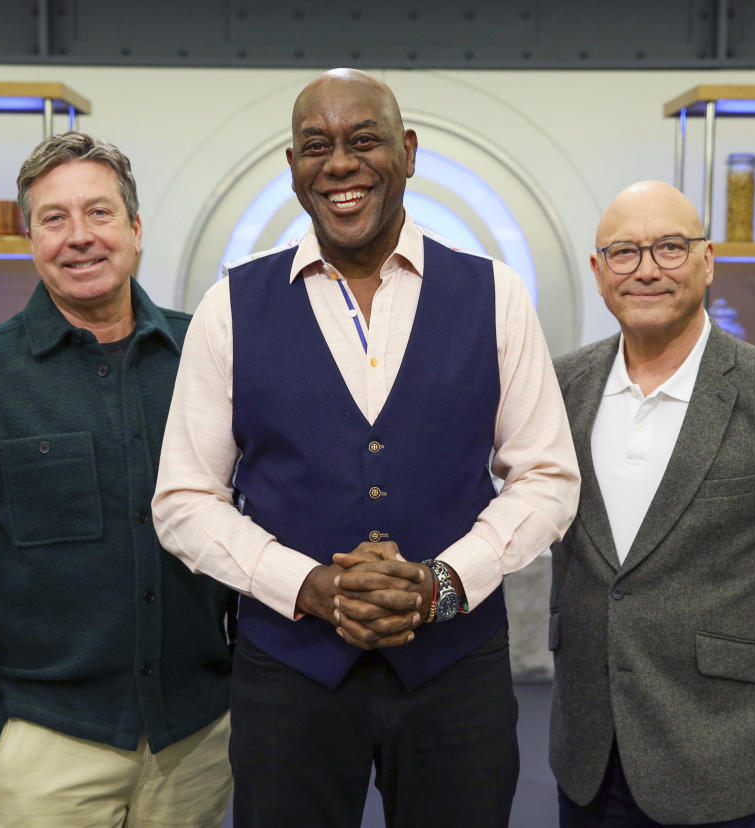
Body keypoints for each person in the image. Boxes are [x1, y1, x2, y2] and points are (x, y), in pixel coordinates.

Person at [152, 68, 580, 828]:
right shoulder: (230, 307)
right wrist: (307, 585)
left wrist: (443, 582)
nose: (339, 164)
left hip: (454, 672)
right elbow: (184, 499)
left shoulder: (495, 294)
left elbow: (545, 476)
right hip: (289, 674)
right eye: (315, 145)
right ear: (292, 169)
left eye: (364, 140)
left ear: (408, 152)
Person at [0, 131, 235, 828]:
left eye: (100, 213)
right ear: (30, 239)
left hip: (196, 743)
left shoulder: (203, 360)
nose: (78, 237)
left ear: (136, 229)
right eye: (54, 219)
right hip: (41, 750)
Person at [549, 180, 755, 827]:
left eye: (669, 247)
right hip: (587, 756)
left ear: (706, 259)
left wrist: (749, 676)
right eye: (625, 253)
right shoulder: (563, 384)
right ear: (598, 271)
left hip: (724, 754)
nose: (647, 270)